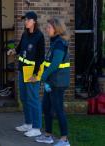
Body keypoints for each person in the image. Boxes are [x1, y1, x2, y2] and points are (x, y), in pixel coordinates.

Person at [7, 11, 45, 137]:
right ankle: (28, 123)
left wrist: (35, 74)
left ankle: (37, 127)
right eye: (25, 20)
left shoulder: (39, 36)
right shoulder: (25, 34)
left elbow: (40, 57)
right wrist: (13, 51)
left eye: (28, 20)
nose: (25, 22)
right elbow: (20, 48)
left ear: (34, 21)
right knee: (24, 98)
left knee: (33, 99)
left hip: (32, 72)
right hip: (22, 70)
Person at [35, 17, 71, 146]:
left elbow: (55, 64)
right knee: (46, 107)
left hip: (58, 83)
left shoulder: (60, 43)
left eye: (49, 27)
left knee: (58, 109)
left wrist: (43, 77)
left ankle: (64, 139)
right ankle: (48, 136)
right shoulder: (54, 42)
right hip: (52, 82)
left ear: (56, 29)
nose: (46, 29)